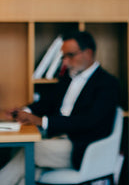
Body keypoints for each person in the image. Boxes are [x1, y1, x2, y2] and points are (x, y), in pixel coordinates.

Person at [1, 30, 119, 185]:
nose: (65, 62)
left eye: (70, 55)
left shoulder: (107, 83)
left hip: (81, 147)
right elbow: (48, 102)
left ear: (88, 53)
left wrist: (42, 121)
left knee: (28, 151)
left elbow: (89, 121)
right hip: (56, 137)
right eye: (63, 56)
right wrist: (24, 112)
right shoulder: (69, 77)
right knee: (22, 163)